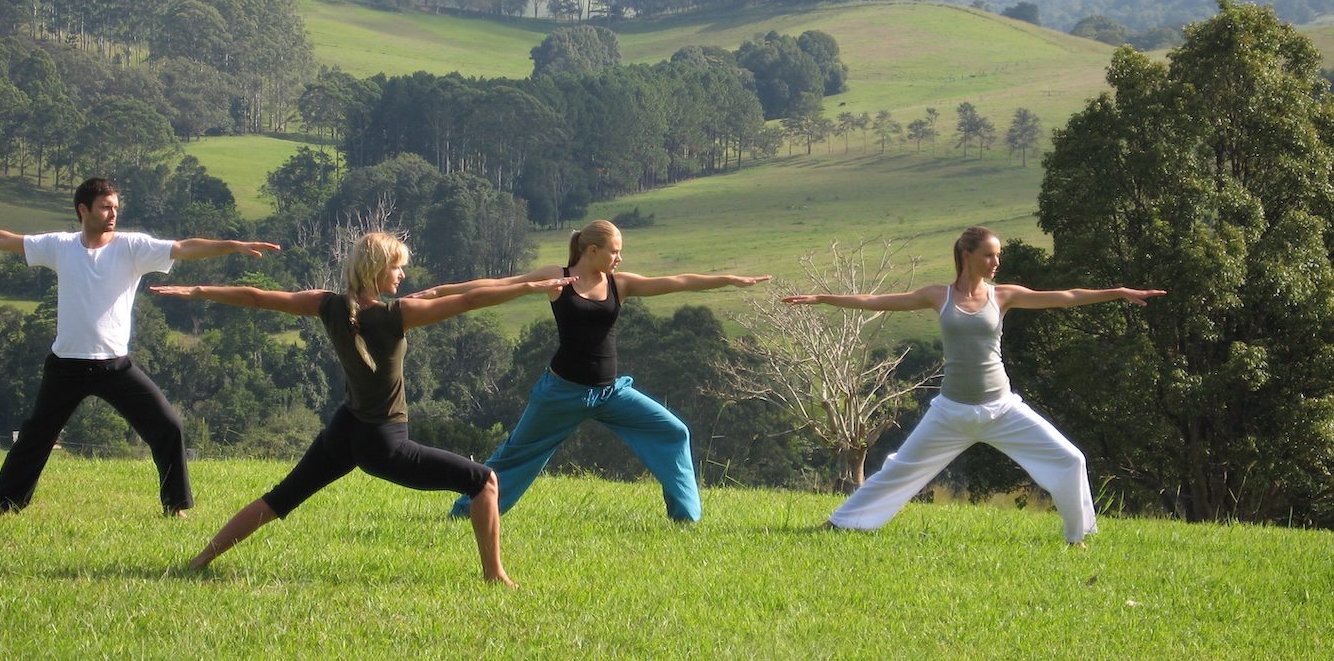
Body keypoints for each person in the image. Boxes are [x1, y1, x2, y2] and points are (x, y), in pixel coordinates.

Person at [151, 231, 573, 585]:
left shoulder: (327, 304)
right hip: (382, 440)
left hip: (345, 428)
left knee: (280, 499)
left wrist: (198, 290)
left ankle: (198, 562)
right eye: (397, 267)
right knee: (484, 482)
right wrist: (531, 288)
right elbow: (466, 303)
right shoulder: (394, 316)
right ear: (376, 271)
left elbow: (261, 298)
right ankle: (494, 575)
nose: (403, 274)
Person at [0, 177, 279, 516]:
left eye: (116, 207)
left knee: (168, 427)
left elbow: (184, 248)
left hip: (115, 367)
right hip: (65, 367)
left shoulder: (132, 247)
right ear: (83, 210)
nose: (113, 214)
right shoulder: (59, 246)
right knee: (35, 438)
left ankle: (176, 506)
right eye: (105, 207)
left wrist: (233, 245)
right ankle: (3, 506)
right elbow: (5, 240)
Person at [781, 225, 1165, 545]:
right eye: (989, 255)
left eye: (998, 256)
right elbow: (878, 300)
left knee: (1070, 460)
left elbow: (1065, 298)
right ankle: (841, 523)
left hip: (1002, 409)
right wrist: (823, 298)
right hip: (950, 412)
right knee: (900, 470)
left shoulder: (1004, 295)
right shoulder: (938, 295)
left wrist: (1118, 292)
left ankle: (1077, 538)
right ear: (967, 254)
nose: (996, 262)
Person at [431, 219, 771, 523]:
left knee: (674, 431)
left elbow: (678, 281)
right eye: (614, 252)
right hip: (561, 394)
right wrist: (441, 292)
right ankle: (467, 511)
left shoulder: (619, 284)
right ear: (592, 250)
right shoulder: (557, 277)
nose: (619, 259)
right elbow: (499, 284)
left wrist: (730, 279)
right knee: (517, 455)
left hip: (611, 393)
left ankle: (685, 518)